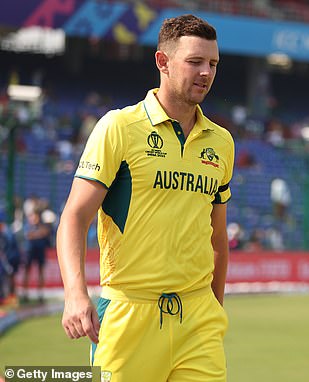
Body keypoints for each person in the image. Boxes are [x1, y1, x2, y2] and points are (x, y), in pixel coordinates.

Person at [57, 14, 234, 382]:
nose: (206, 73)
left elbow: (218, 238)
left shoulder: (222, 142)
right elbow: (75, 217)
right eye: (195, 61)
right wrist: (75, 293)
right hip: (128, 316)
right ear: (162, 62)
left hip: (198, 319)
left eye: (213, 63)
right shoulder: (118, 128)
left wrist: (214, 309)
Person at [22, 210, 51, 304]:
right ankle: (25, 295)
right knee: (27, 272)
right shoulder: (27, 226)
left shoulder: (42, 226)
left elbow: (45, 232)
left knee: (41, 272)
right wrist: (39, 234)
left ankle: (40, 295)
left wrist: (36, 234)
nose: (34, 219)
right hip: (30, 251)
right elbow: (29, 235)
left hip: (40, 251)